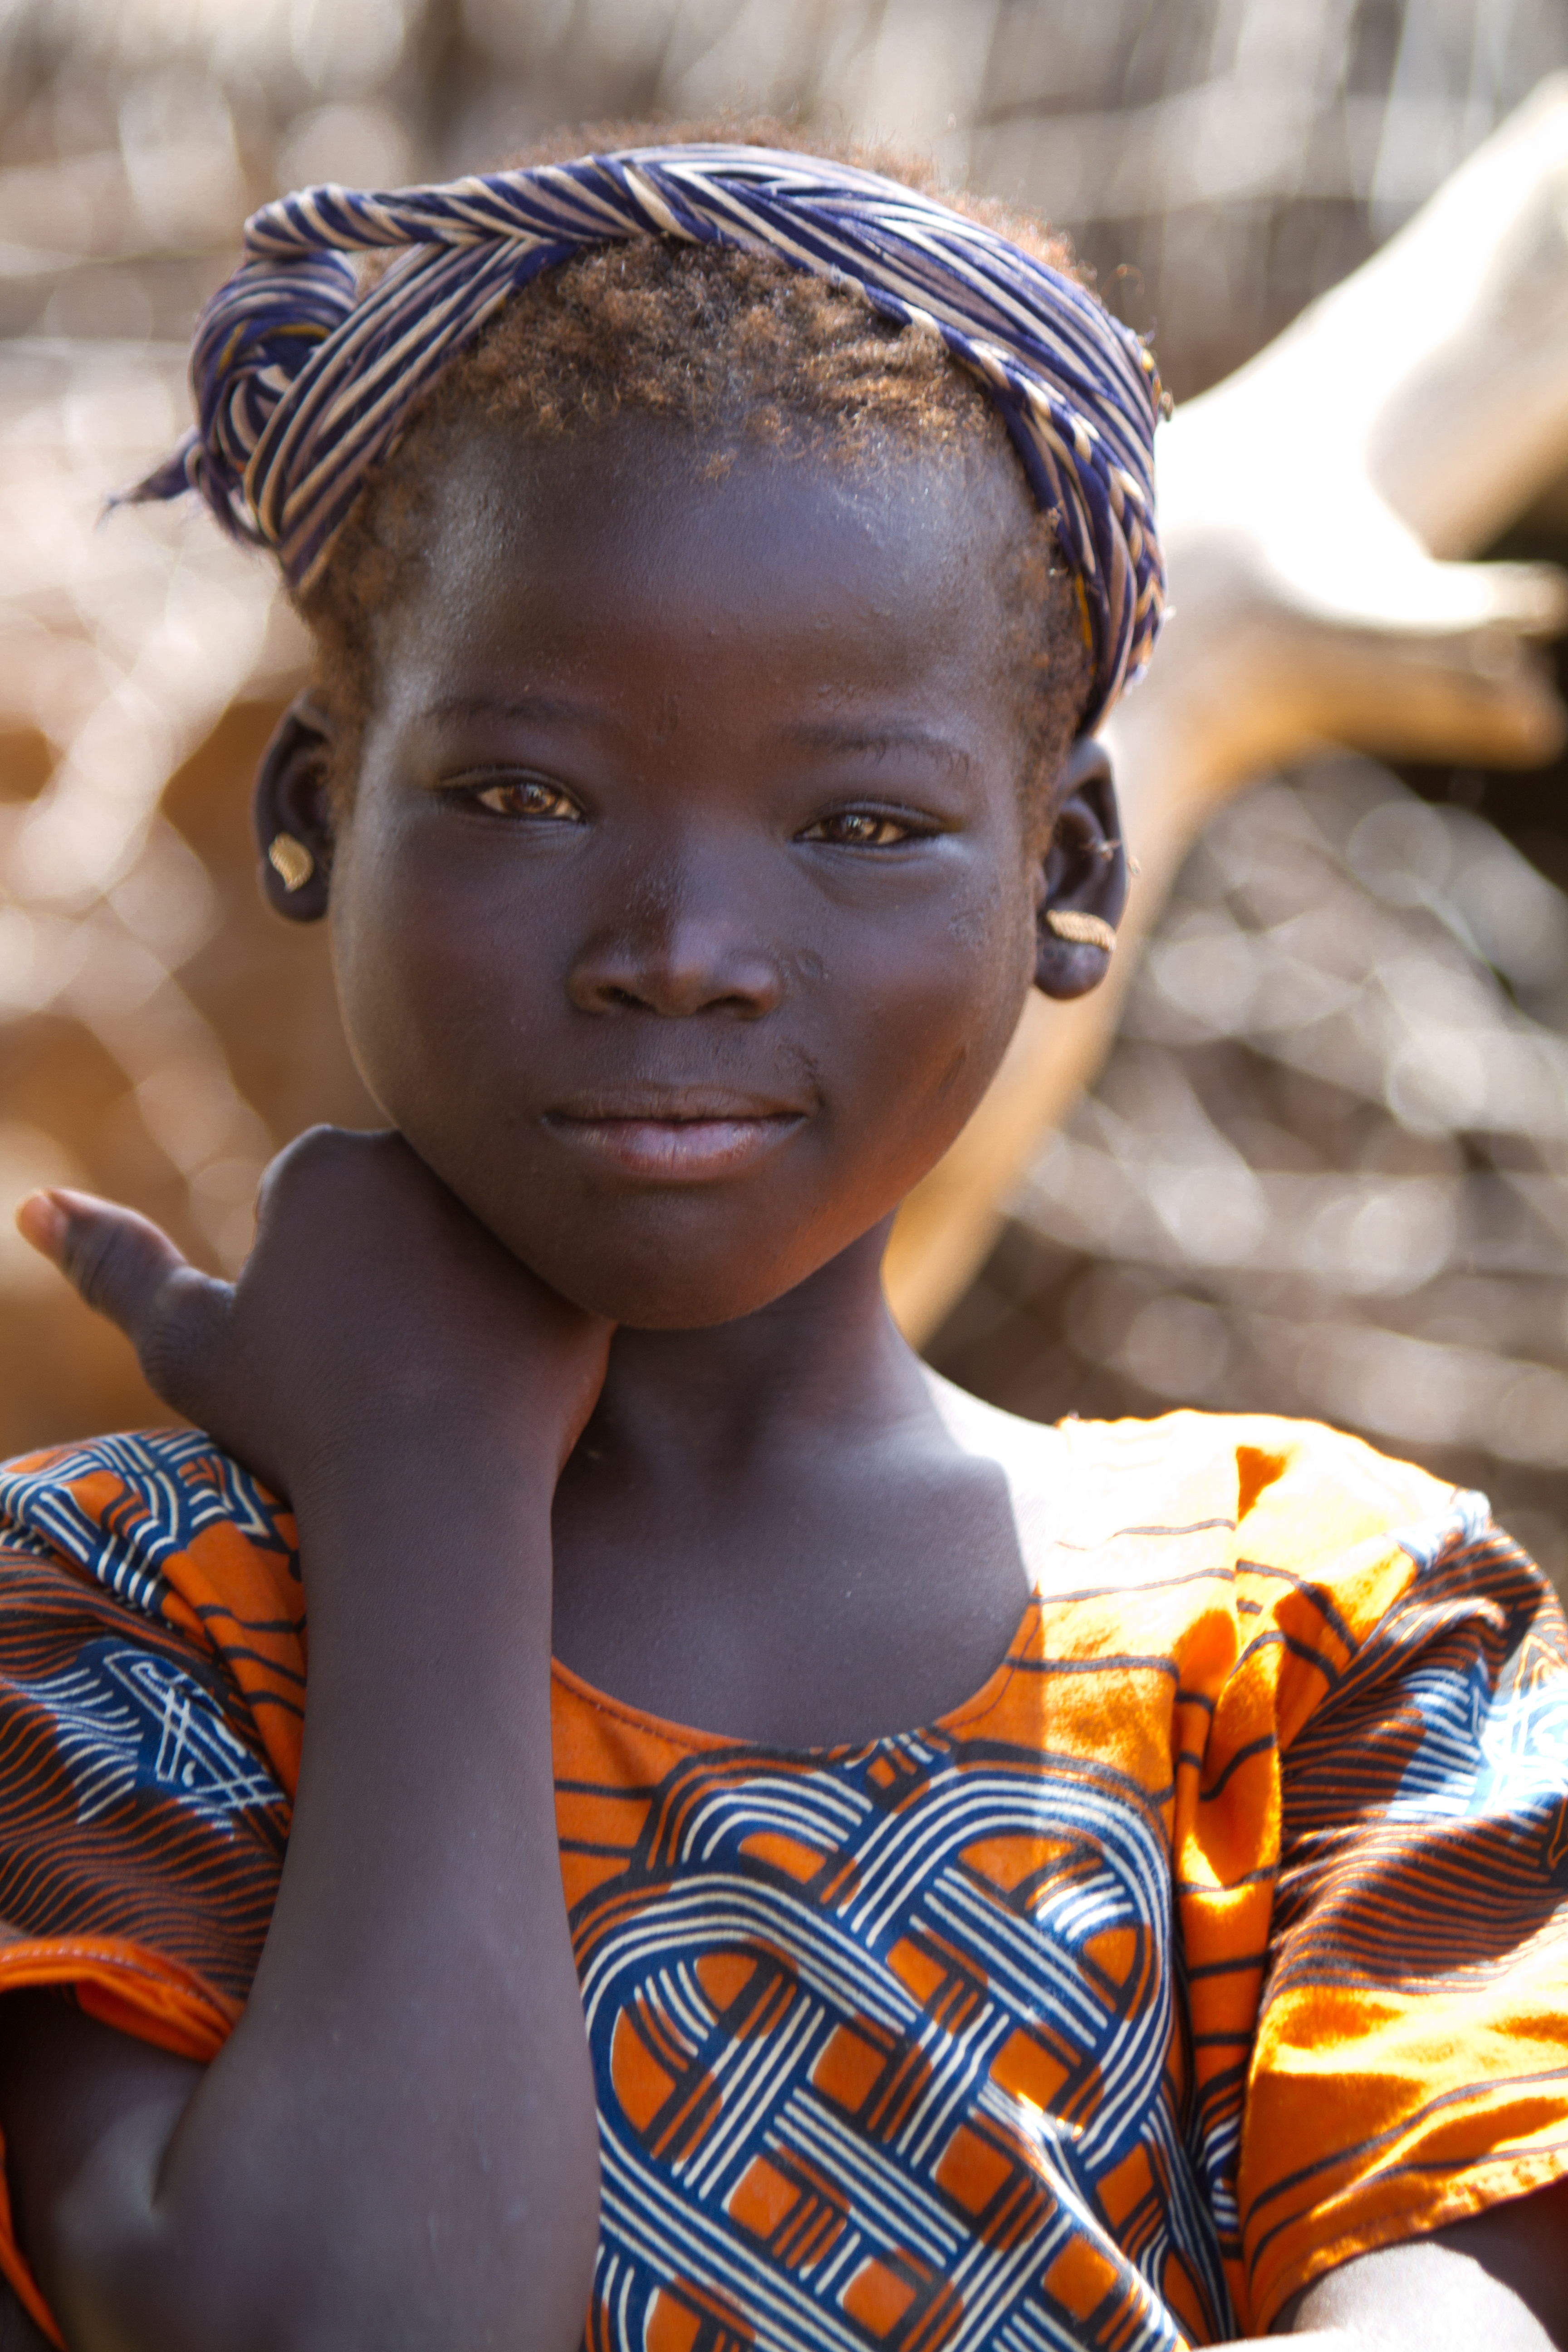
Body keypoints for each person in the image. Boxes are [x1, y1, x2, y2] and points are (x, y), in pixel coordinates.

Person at [0, 126, 1563, 2352]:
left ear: (1071, 869)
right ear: (314, 812)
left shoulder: (1331, 1634)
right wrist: (429, 1496)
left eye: (860, 822)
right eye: (530, 796)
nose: (686, 948)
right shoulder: (98, 1631)